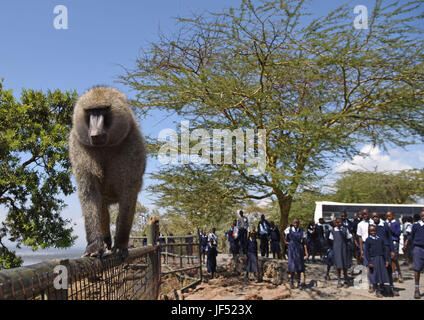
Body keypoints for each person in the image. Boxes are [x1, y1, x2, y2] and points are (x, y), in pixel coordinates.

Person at [370, 212, 398, 297]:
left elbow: (389, 238)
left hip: (386, 249)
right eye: (373, 217)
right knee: (377, 270)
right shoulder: (371, 226)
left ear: (379, 217)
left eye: (376, 216)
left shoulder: (385, 225)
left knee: (388, 268)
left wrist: (392, 250)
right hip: (376, 251)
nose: (375, 218)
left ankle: (391, 287)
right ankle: (379, 289)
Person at [365, 225, 391, 298]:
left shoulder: (380, 239)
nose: (373, 232)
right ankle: (376, 290)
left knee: (381, 274)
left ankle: (382, 288)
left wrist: (386, 260)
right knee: (375, 275)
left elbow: (384, 250)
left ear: (376, 231)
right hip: (373, 259)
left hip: (381, 259)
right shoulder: (368, 240)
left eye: (374, 230)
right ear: (369, 231)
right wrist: (369, 262)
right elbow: (366, 252)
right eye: (371, 231)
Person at [403, 211, 424, 299]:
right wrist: (407, 244)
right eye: (422, 216)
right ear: (421, 217)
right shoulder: (416, 225)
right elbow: (411, 237)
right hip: (418, 248)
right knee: (417, 269)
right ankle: (416, 289)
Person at [284, 218, 308, 289]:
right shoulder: (289, 229)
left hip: (299, 249)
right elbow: (283, 234)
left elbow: (304, 242)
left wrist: (306, 252)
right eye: (294, 222)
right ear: (292, 223)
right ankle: (291, 282)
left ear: (298, 223)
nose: (296, 224)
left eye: (297, 223)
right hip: (291, 248)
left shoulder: (302, 231)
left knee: (299, 266)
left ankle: (298, 282)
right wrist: (285, 242)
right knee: (292, 266)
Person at [329, 218, 352, 288]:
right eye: (337, 222)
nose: (338, 224)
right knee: (338, 265)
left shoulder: (345, 229)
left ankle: (345, 280)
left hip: (344, 249)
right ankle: (339, 280)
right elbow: (331, 240)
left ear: (342, 222)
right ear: (335, 223)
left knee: (345, 265)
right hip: (336, 250)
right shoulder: (332, 231)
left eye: (339, 222)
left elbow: (348, 239)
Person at [357, 209, 372, 292]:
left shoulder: (373, 222)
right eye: (363, 214)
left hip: (374, 244)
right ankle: (370, 283)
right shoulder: (360, 224)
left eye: (366, 214)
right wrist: (361, 249)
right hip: (365, 244)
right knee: (367, 264)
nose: (365, 215)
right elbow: (360, 237)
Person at [386, 211, 403, 283]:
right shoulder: (386, 223)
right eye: (387, 216)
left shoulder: (396, 223)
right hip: (387, 243)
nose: (388, 217)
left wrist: (391, 228)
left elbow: (398, 233)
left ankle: (397, 273)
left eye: (389, 216)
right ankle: (391, 273)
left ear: (393, 216)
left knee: (394, 258)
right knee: (389, 258)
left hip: (394, 242)